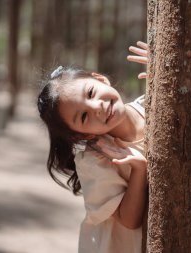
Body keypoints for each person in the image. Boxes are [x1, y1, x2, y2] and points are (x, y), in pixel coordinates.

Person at [37, 41, 148, 253]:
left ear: (100, 79)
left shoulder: (151, 105)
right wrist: (139, 170)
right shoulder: (96, 159)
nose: (97, 107)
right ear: (83, 134)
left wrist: (168, 73)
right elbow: (129, 220)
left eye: (90, 93)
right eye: (84, 116)